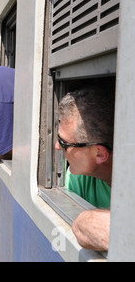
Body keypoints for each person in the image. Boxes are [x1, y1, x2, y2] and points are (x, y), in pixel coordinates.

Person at [55, 86, 114, 251]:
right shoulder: (78, 176)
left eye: (64, 143)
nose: (57, 146)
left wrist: (84, 221)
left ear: (100, 154)